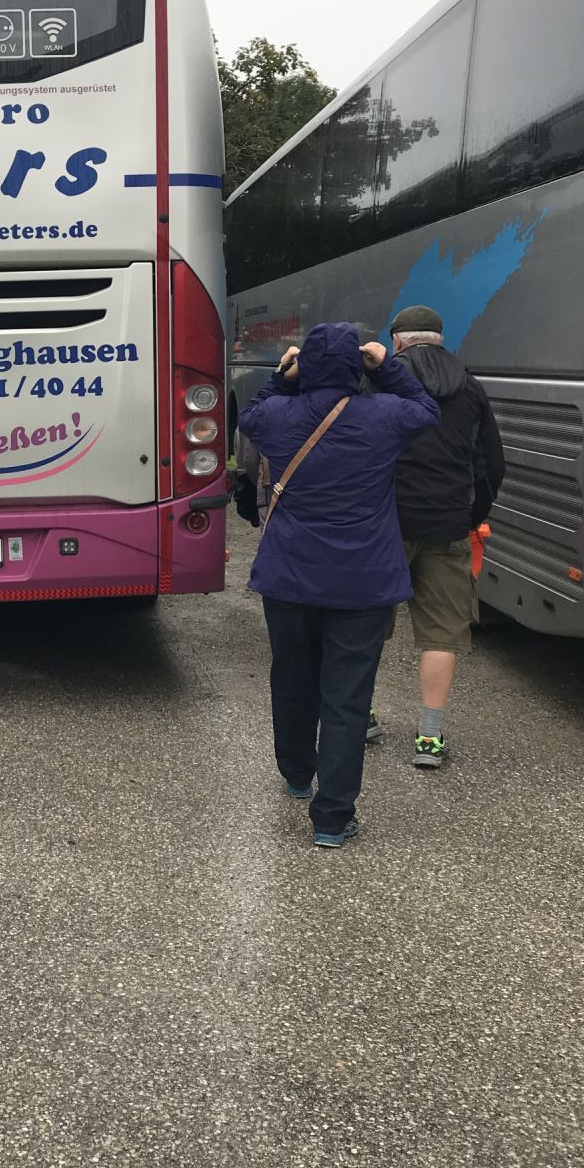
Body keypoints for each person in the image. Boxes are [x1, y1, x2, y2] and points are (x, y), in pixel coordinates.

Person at [238, 323, 440, 848]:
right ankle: (332, 818)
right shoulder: (384, 416)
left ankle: (298, 774)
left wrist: (285, 374)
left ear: (306, 364)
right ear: (357, 365)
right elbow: (426, 408)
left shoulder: (280, 417)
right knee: (348, 698)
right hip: (363, 582)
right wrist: (385, 365)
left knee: (293, 678)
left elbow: (250, 413)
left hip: (289, 577)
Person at [378, 304, 506, 768]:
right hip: (448, 524)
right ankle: (429, 738)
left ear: (398, 341)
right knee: (441, 634)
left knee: (367, 622)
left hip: (384, 526)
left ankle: (361, 717)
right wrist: (472, 515)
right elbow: (493, 464)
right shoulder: (471, 388)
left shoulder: (380, 382)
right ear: (439, 338)